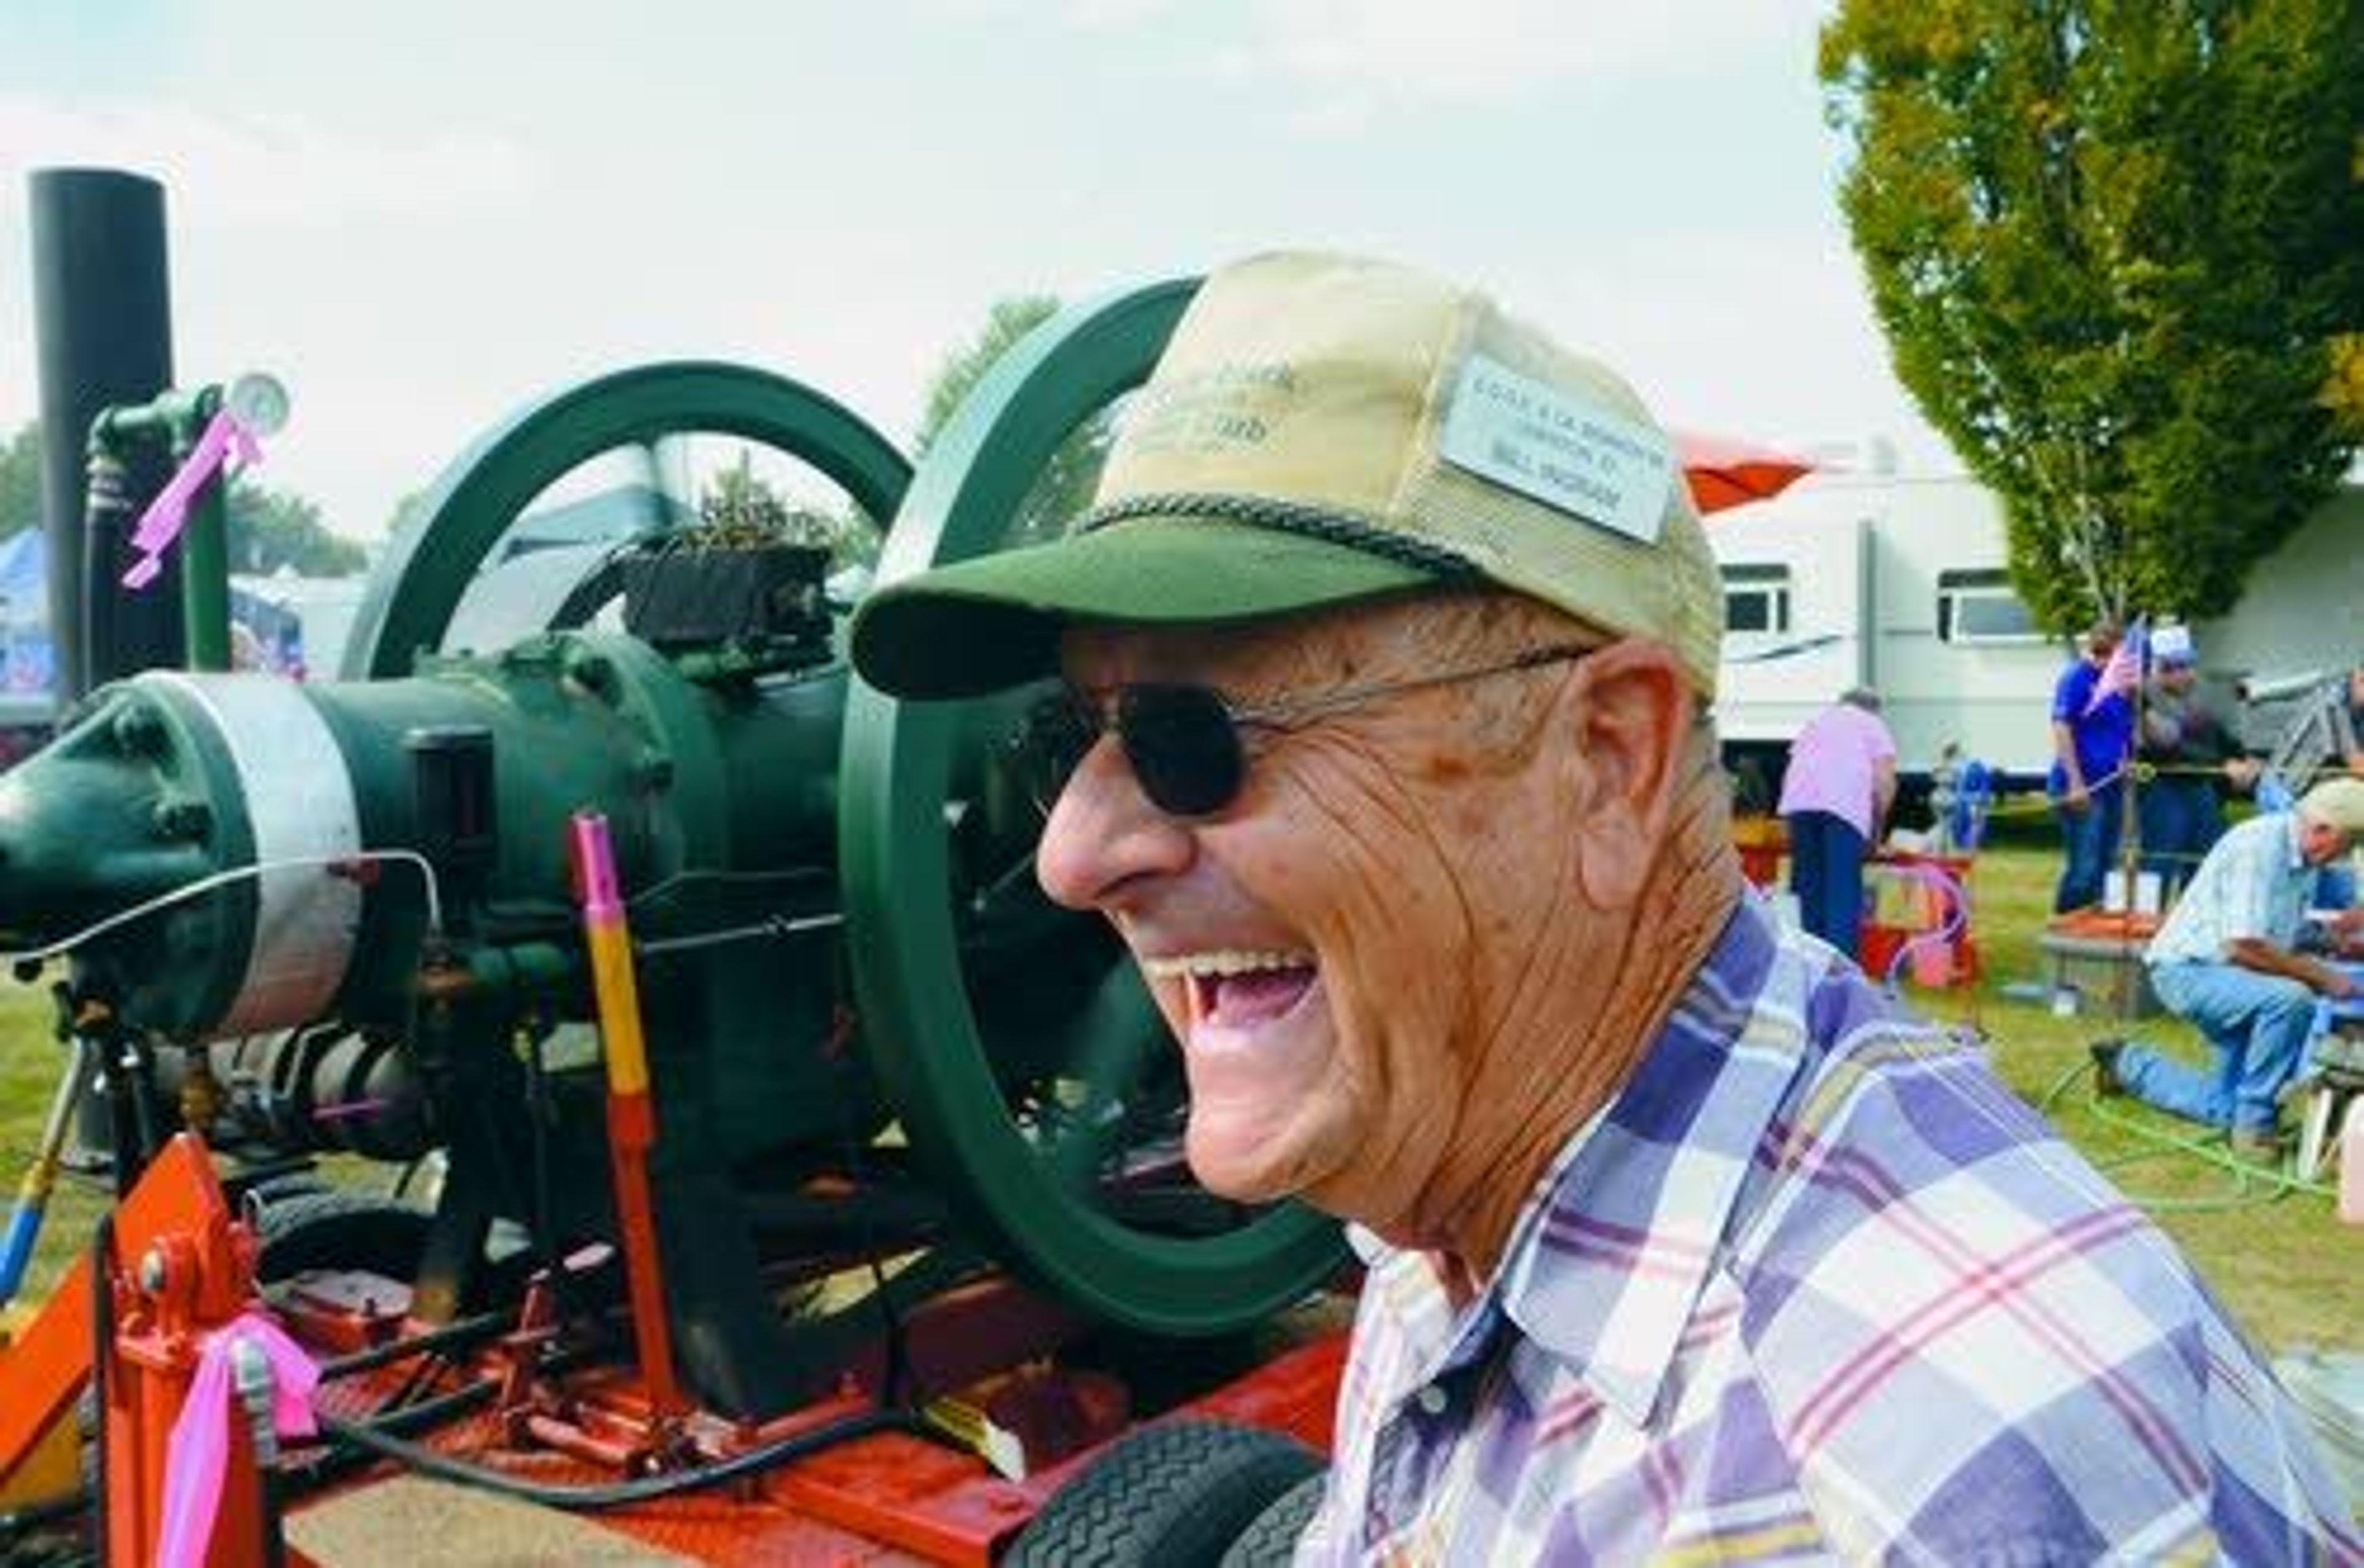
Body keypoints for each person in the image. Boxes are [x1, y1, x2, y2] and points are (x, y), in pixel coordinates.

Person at [850, 253, 2354, 1562]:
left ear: (1605, 758)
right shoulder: (1463, 1189)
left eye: (1194, 735)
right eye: (1073, 739)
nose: (1074, 848)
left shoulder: (1948, 1473)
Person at [2097, 777, 2364, 1159]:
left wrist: (2333, 937)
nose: (2346, 855)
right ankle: (2256, 1130)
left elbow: (2277, 933)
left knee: (2225, 1108)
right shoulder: (2259, 846)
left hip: (2232, 974)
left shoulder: (2302, 859)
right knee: (2292, 1000)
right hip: (2188, 971)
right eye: (2349, 844)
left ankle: (2124, 1062)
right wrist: (2324, 976)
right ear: (2324, 829)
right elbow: (2243, 946)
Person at [1774, 688, 1896, 959]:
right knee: (1842, 887)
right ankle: (1838, 965)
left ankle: (1808, 960)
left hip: (1800, 805)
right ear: (1873, 709)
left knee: (1808, 887)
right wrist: (1878, 830)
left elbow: (1794, 765)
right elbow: (1884, 782)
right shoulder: (1873, 724)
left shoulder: (1817, 721)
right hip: (1843, 807)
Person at [2133, 630, 2256, 899]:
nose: (2183, 674)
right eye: (2174, 667)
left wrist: (2244, 757)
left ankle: (2192, 927)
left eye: (2187, 666)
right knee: (2159, 862)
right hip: (2162, 789)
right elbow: (2169, 749)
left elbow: (2218, 734)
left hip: (2200, 789)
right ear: (2159, 668)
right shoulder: (2143, 699)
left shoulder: (2198, 693)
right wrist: (2223, 764)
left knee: (2205, 860)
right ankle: (2145, 928)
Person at [2047, 621, 2133, 913]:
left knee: (2106, 865)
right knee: (2084, 866)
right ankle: (2062, 929)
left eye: (2114, 653)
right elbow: (2062, 727)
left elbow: (2119, 730)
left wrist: (2125, 757)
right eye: (2101, 651)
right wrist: (2075, 782)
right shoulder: (2076, 677)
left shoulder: (2118, 685)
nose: (2105, 659)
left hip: (2110, 785)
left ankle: (2090, 928)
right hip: (2082, 785)